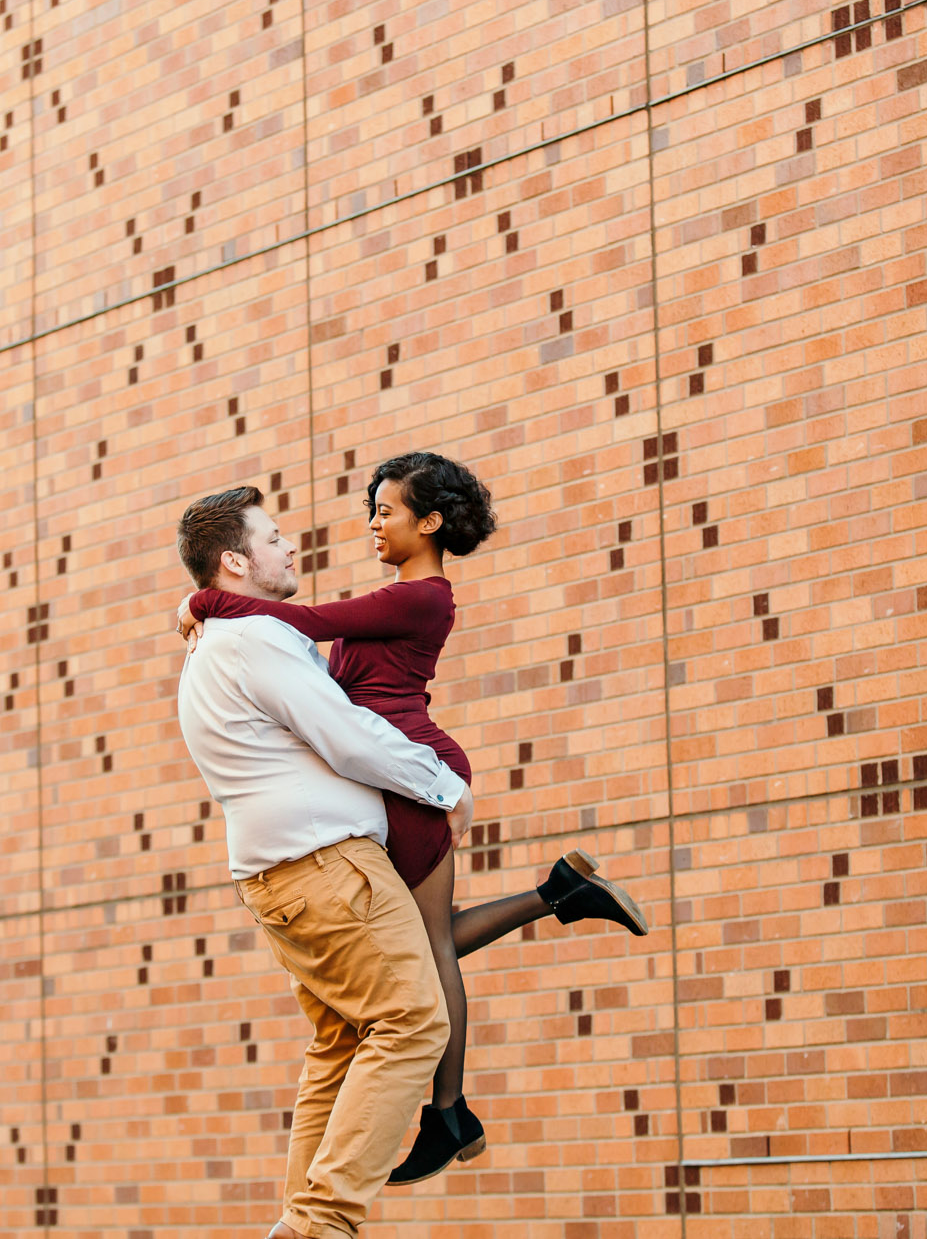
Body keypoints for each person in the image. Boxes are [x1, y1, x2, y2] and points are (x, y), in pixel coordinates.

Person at [172, 484, 643, 1239]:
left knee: (343, 1039)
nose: (291, 545)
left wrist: (202, 608)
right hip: (328, 869)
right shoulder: (253, 637)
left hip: (279, 878)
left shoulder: (217, 648)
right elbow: (346, 732)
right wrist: (443, 783)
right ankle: (321, 1223)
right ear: (235, 560)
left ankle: (303, 1218)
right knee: (414, 1019)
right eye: (274, 536)